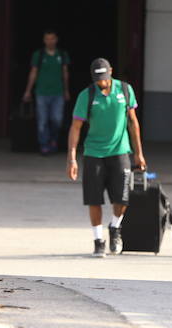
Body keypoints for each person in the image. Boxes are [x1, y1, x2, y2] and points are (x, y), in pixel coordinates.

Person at [66, 58, 147, 258]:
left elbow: (133, 123)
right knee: (94, 199)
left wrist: (139, 153)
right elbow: (76, 127)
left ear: (110, 72)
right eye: (97, 79)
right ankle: (98, 240)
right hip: (94, 152)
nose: (101, 82)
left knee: (123, 197)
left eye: (104, 78)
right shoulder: (87, 95)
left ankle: (115, 227)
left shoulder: (125, 90)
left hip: (120, 151)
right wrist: (72, 158)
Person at [22, 29, 71, 154]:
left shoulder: (61, 55)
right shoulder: (39, 55)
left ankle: (53, 140)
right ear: (44, 40)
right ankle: (44, 144)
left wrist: (66, 90)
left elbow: (65, 74)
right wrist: (28, 90)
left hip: (58, 92)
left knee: (57, 119)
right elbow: (33, 73)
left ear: (56, 39)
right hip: (41, 92)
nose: (50, 41)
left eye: (52, 38)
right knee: (42, 120)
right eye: (47, 39)